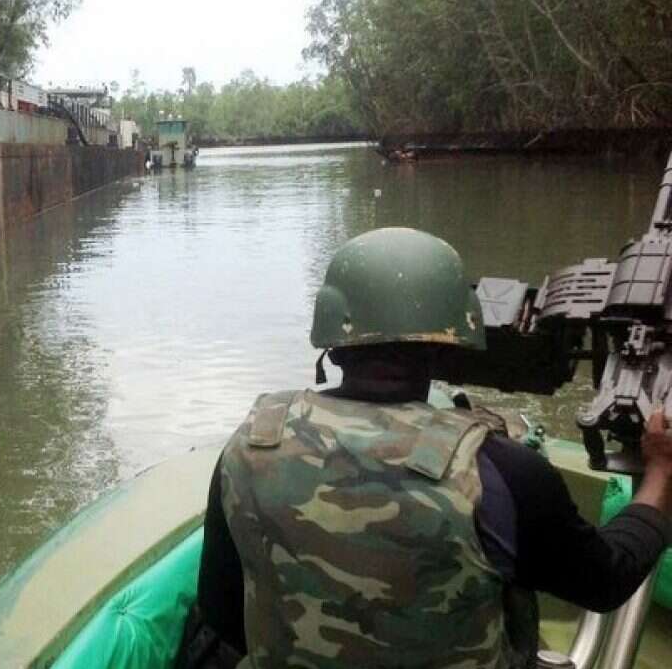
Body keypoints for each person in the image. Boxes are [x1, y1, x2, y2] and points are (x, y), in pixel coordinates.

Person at [177, 227, 672, 669]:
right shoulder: (499, 471)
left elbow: (222, 611)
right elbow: (608, 579)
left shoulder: (253, 444)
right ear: (445, 344)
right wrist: (659, 471)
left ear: (333, 340)